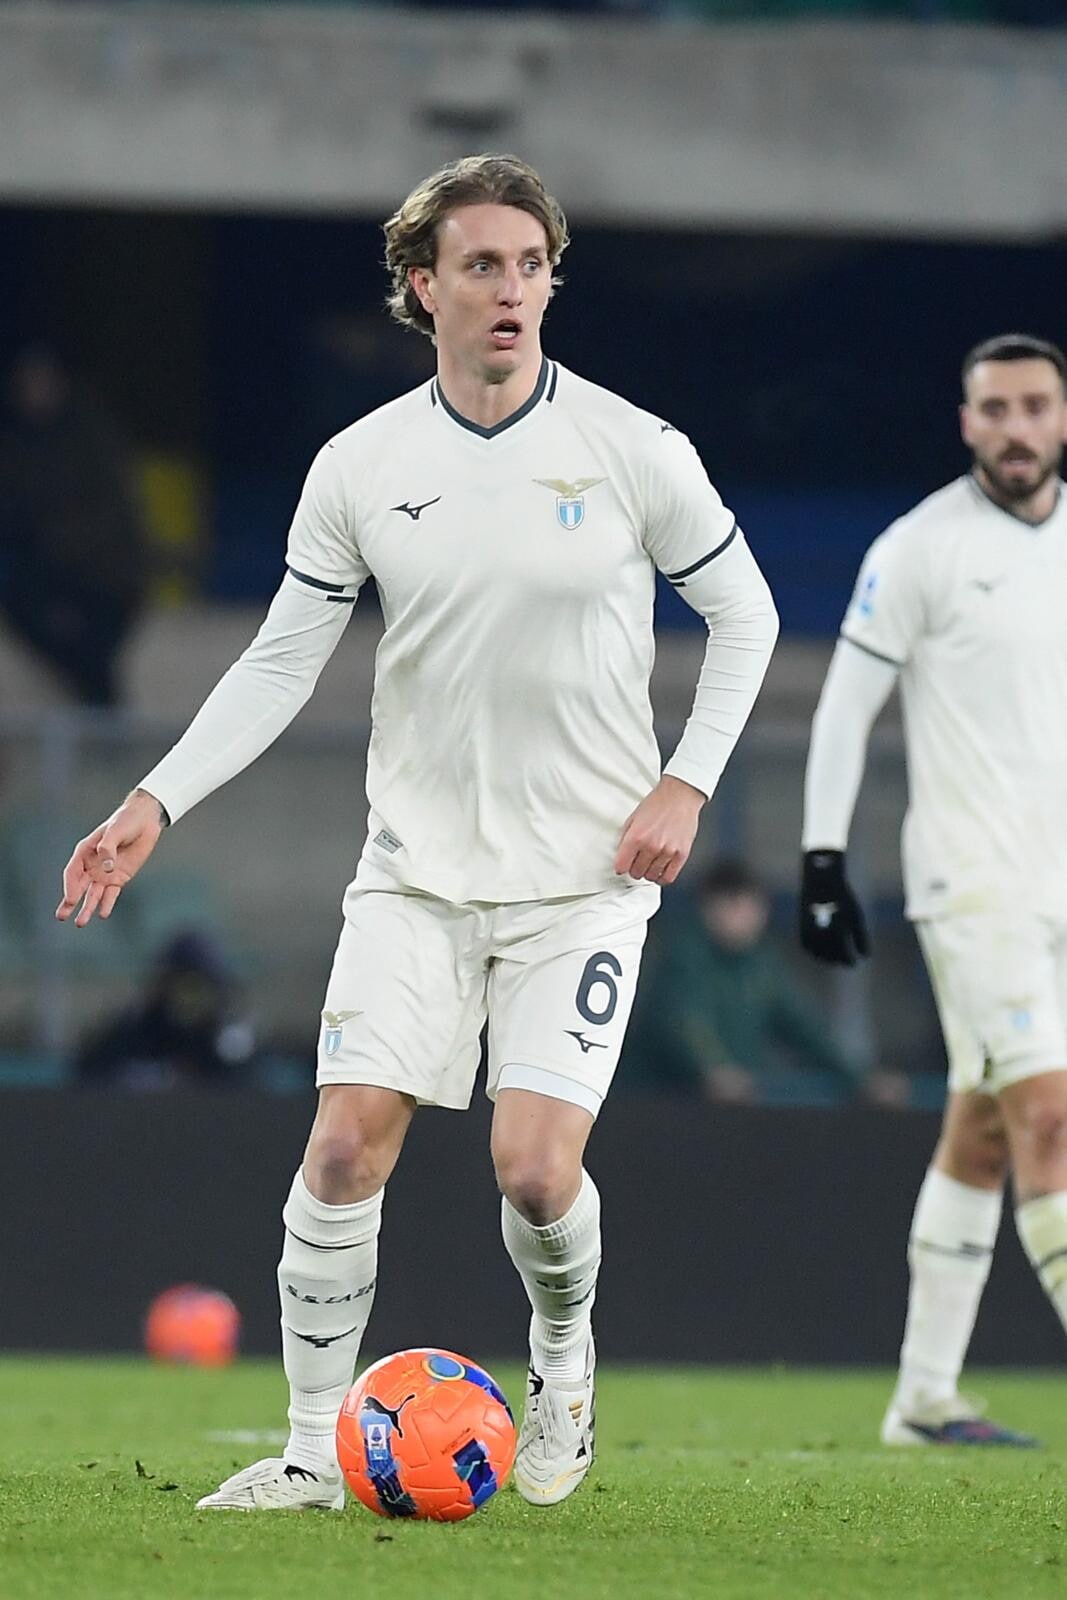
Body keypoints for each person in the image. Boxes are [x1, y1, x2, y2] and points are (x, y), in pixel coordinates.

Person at [57, 153, 778, 1512]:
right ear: (421, 286)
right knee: (340, 1149)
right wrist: (157, 798)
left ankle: (559, 1358)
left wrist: (684, 783)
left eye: (530, 265)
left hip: (581, 881)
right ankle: (308, 1451)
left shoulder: (632, 448)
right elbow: (281, 659)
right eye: (481, 265)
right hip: (414, 876)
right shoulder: (362, 464)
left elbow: (745, 615)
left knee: (533, 1172)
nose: (510, 289)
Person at [799, 332, 1067, 1448]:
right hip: (971, 884)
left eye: (1034, 406)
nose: (1015, 427)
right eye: (994, 409)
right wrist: (822, 859)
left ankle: (920, 1398)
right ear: (965, 423)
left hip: (1056, 885)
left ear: (1060, 417)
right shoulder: (918, 547)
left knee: (982, 1129)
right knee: (1048, 1115)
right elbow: (843, 707)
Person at [627, 859, 865, 1104]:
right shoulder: (684, 957)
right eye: (733, 905)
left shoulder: (762, 965)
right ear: (707, 907)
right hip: (660, 1103)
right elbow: (684, 1022)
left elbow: (805, 1028)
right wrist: (716, 1069)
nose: (746, 916)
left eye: (753, 906)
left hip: (731, 1105)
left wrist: (860, 1078)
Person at [0, 344, 145, 706]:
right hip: (47, 576)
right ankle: (95, 705)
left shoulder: (91, 437)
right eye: (26, 384)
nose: (34, 392)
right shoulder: (18, 445)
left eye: (41, 381)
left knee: (92, 651)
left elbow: (112, 519)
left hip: (105, 576)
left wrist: (58, 546)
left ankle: (101, 709)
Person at [75, 929, 256, 1090]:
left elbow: (248, 1090)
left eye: (199, 988)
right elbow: (88, 1078)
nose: (191, 999)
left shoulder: (226, 1045)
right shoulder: (134, 1034)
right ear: (164, 987)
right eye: (185, 987)